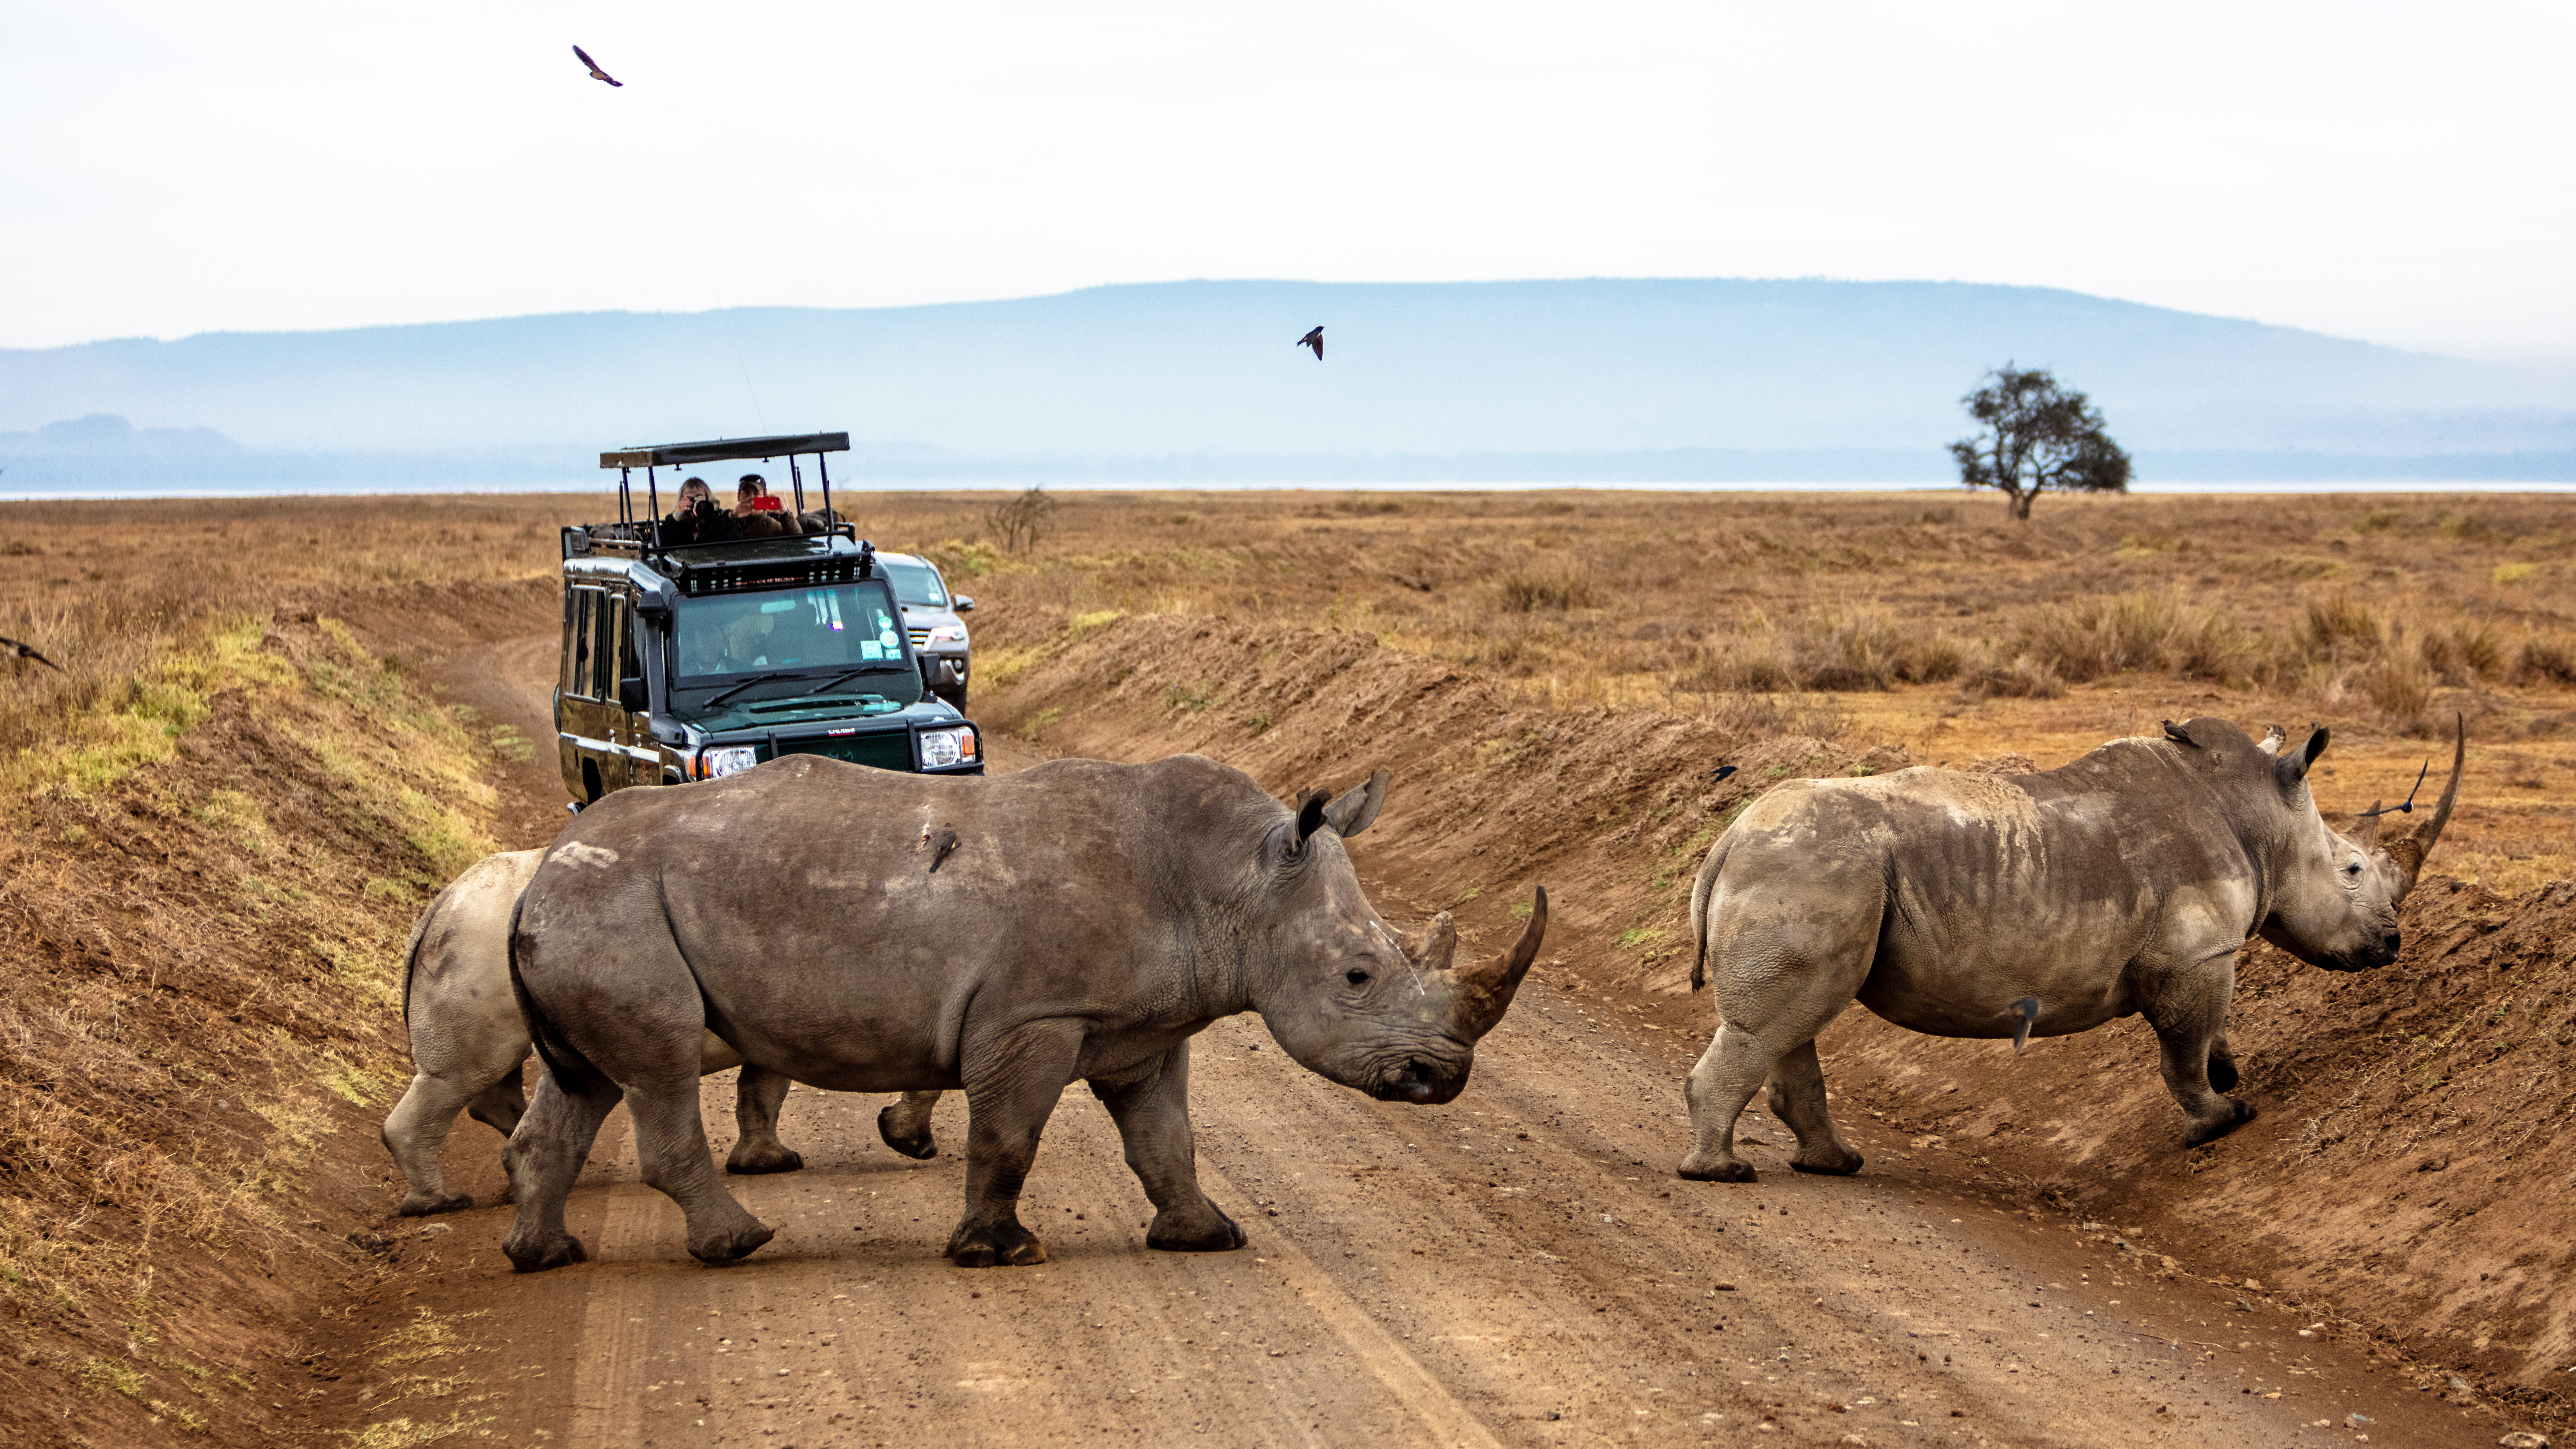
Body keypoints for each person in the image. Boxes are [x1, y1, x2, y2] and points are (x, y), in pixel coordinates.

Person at [659, 476, 733, 545]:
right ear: (682, 500)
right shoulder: (676, 521)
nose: (695, 502)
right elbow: (659, 542)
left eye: (699, 497)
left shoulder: (719, 520)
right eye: (689, 499)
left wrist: (707, 514)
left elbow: (731, 540)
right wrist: (677, 515)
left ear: (707, 498)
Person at [731, 474, 790, 539]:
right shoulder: (727, 520)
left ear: (765, 496)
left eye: (757, 494)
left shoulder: (772, 524)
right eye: (747, 494)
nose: (752, 497)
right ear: (739, 496)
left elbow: (796, 540)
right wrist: (733, 517)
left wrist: (785, 514)